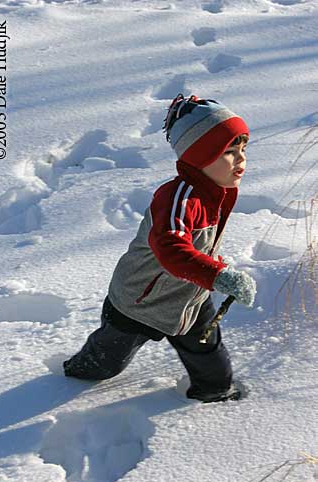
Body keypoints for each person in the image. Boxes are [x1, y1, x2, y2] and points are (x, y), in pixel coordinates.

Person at [63, 94, 256, 403]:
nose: (241, 159)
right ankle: (71, 377)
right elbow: (171, 248)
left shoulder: (216, 193)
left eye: (243, 149)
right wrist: (219, 275)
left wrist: (214, 264)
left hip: (189, 299)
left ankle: (217, 397)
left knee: (212, 363)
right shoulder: (177, 197)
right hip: (138, 302)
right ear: (199, 156)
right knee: (105, 362)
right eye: (230, 152)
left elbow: (199, 244)